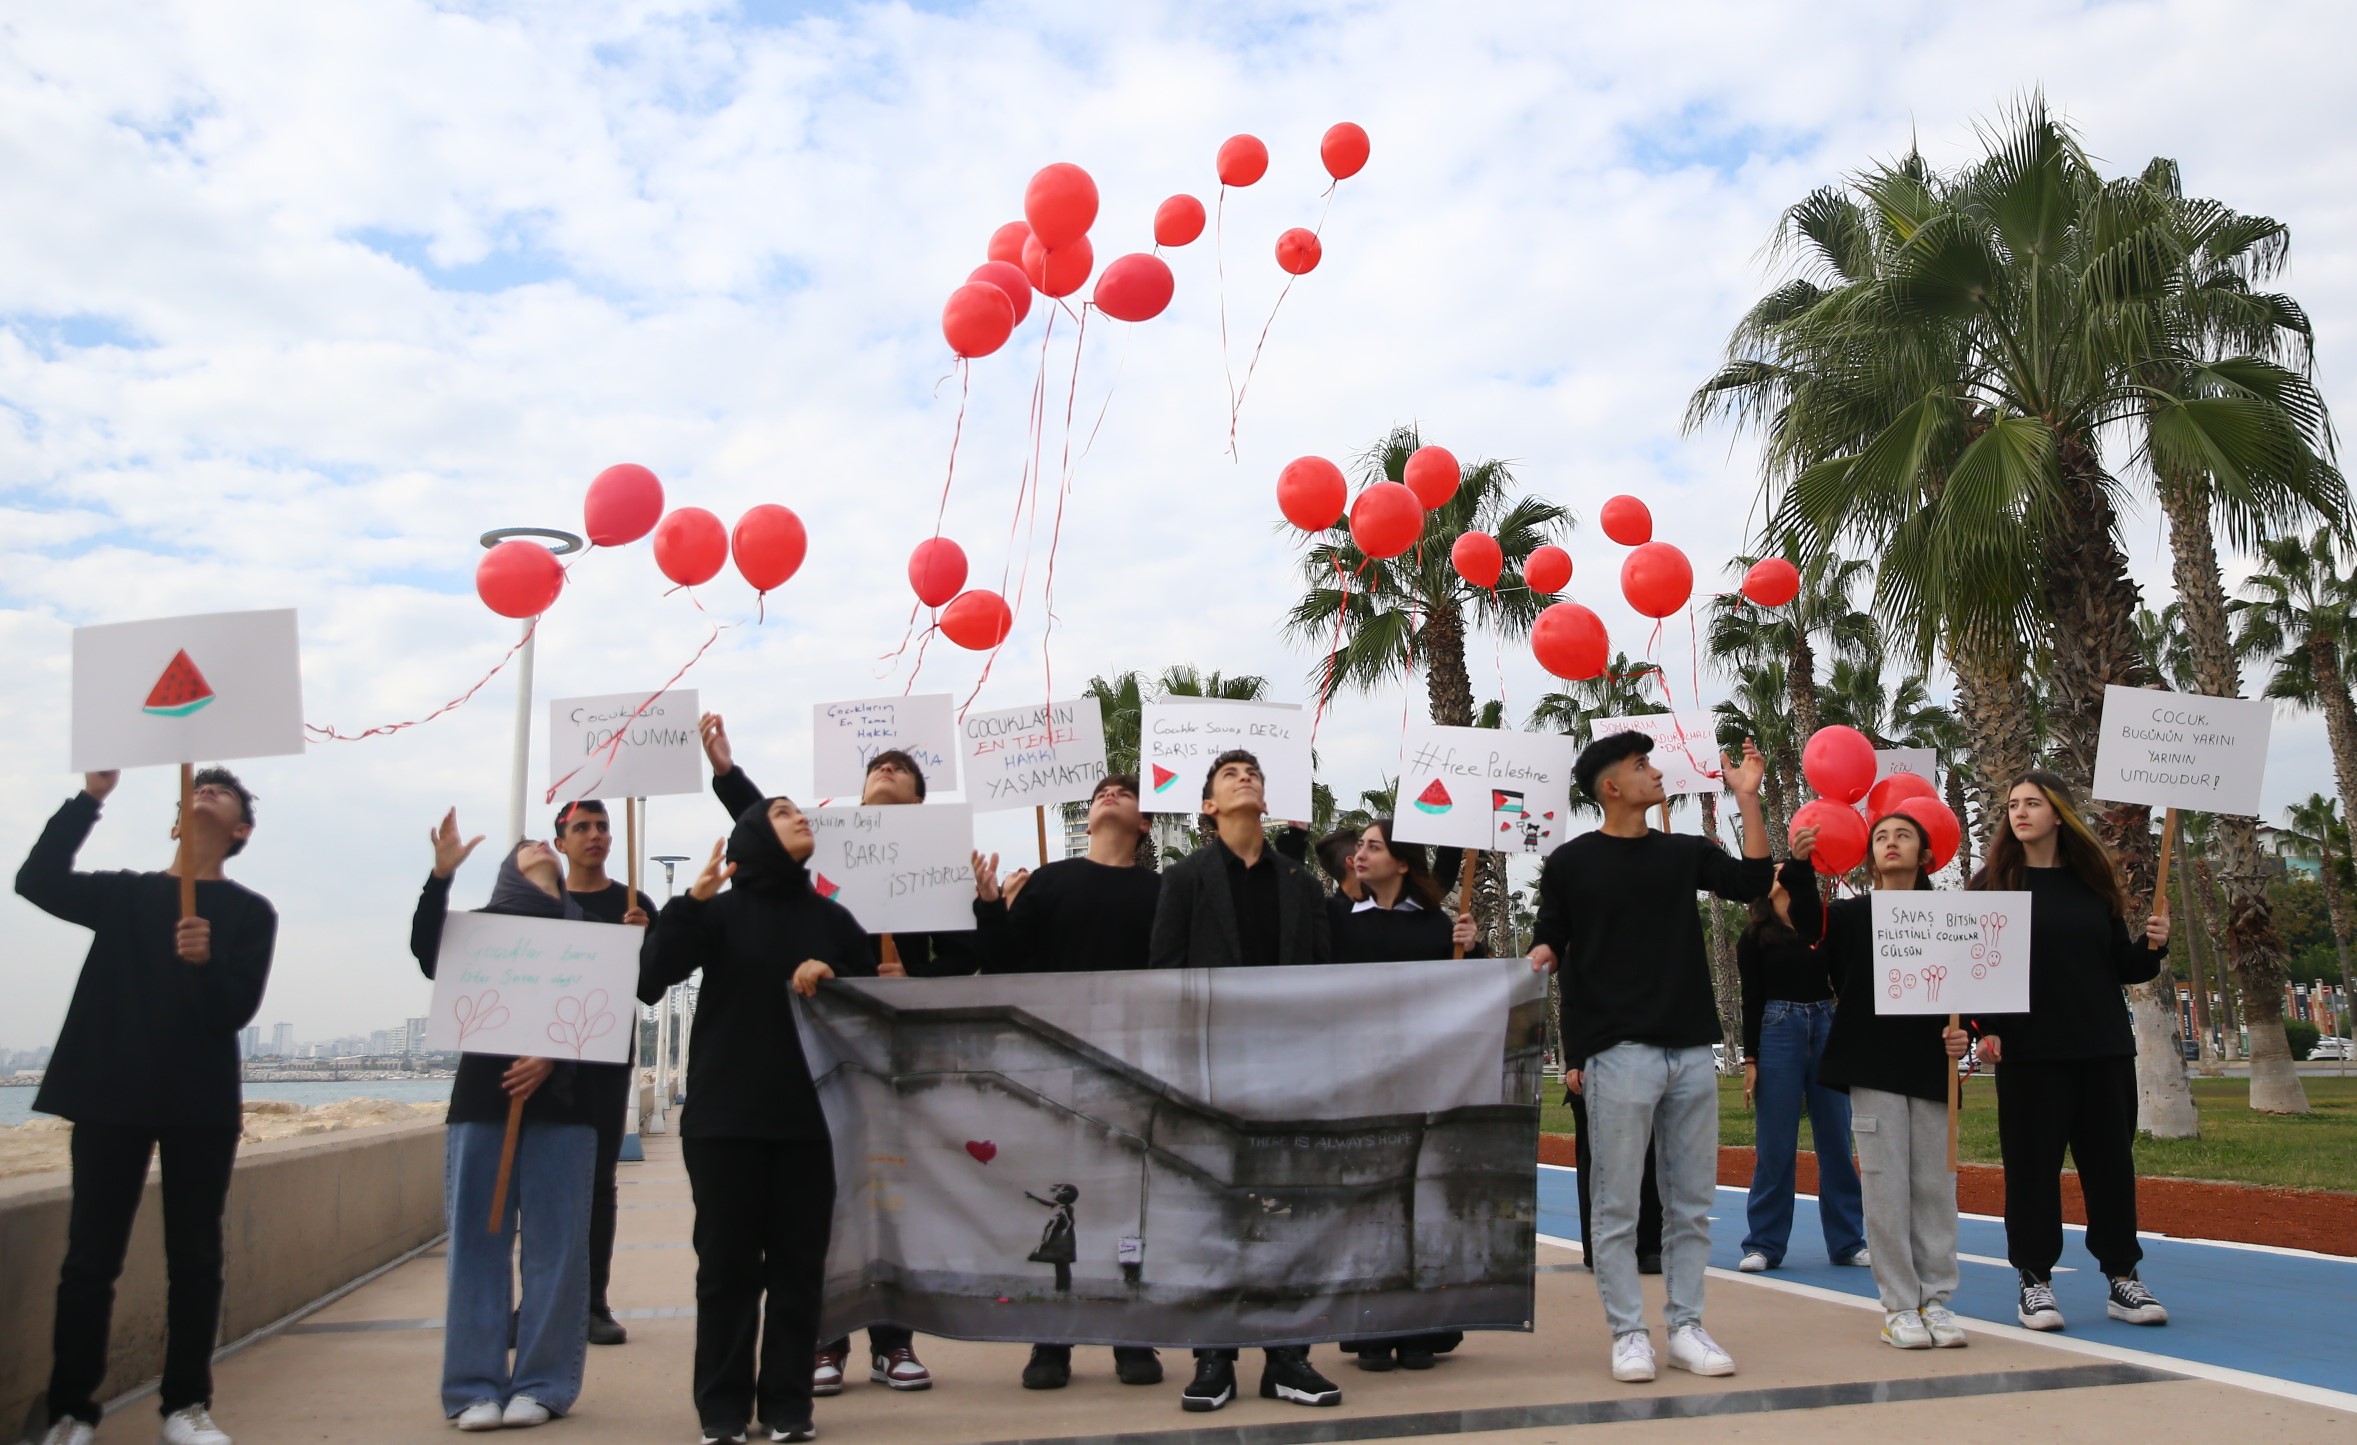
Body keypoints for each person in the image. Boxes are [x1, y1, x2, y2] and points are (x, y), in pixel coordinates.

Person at [700, 713, 963, 1394]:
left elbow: (967, 960)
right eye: (877, 764)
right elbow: (759, 829)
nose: (884, 770)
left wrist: (914, 983)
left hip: (895, 1054)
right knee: (823, 1201)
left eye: (899, 769)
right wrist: (728, 772)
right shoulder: (828, 843)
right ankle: (823, 1339)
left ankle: (892, 1339)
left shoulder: (941, 858)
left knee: (888, 1193)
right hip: (816, 1051)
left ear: (917, 800)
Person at [21, 768, 275, 1445]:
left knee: (195, 1260)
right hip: (110, 1094)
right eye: (194, 790)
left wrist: (205, 960)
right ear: (173, 821)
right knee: (89, 1260)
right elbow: (35, 880)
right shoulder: (126, 894)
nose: (203, 793)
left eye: (221, 793)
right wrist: (91, 796)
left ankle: (185, 1406)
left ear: (241, 828)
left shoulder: (251, 912)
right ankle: (72, 1409)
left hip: (199, 1102)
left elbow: (234, 1010)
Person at [1530, 732, 1773, 1386]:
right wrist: (1533, 977)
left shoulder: (1682, 852)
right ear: (1610, 786)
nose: (1655, 770)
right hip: (1617, 1054)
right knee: (1616, 1207)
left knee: (1689, 1202)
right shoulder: (1570, 862)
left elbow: (1750, 879)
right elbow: (1550, 939)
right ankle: (1628, 1333)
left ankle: (1686, 1326)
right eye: (1641, 765)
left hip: (1690, 1049)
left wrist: (1746, 798)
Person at [642, 794, 876, 1445]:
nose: (801, 815)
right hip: (725, 1123)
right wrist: (688, 900)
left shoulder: (832, 918)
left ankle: (787, 1405)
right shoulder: (714, 913)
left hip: (810, 1123)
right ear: (751, 834)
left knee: (800, 1271)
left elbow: (874, 1001)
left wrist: (834, 973)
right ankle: (721, 1411)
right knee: (726, 1271)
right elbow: (652, 976)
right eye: (781, 811)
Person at [1148, 749, 1341, 1414]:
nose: (1245, 778)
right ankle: (1213, 1357)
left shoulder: (1301, 883)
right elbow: (1165, 975)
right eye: (1230, 775)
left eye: (1253, 772)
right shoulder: (1183, 880)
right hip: (1210, 1066)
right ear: (1207, 806)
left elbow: (1321, 978)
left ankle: (1288, 1357)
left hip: (1287, 1068)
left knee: (1287, 1210)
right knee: (1213, 1210)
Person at [409, 817, 613, 1430]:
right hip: (483, 1101)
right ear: (507, 870)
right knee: (477, 1244)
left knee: (557, 1250)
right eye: (528, 845)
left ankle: (544, 1383)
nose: (543, 847)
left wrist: (552, 1052)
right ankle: (473, 1385)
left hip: (565, 1110)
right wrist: (440, 876)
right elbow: (427, 953)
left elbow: (603, 1011)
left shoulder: (590, 930)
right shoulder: (483, 925)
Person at [970, 773, 1167, 1390]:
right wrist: (988, 907)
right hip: (1052, 1069)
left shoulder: (1166, 892)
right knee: (1054, 1207)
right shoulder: (1048, 881)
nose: (1110, 794)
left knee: (1129, 1206)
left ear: (1145, 823)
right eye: (1102, 791)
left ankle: (1132, 1337)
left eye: (1126, 792)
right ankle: (1050, 1339)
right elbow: (1006, 965)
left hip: (1137, 1065)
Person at [1971, 771, 2172, 1332]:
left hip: (2103, 1048)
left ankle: (2123, 1278)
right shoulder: (1992, 886)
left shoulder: (2093, 883)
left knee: (2111, 1167)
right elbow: (1977, 970)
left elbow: (2122, 967)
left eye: (2032, 803)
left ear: (2058, 814)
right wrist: (1984, 1028)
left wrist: (2152, 947)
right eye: (2014, 804)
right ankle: (2034, 1282)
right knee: (2032, 1171)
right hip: (2031, 1055)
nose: (2020, 812)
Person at [1789, 815, 1973, 1350]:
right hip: (1872, 1068)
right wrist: (1801, 867)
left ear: (1926, 853)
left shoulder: (1952, 917)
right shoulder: (1849, 916)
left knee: (1936, 1189)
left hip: (1933, 1069)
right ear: (1871, 855)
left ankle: (1936, 1300)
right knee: (1885, 1187)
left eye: (1903, 836)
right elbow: (1806, 924)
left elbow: (1978, 985)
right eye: (1881, 837)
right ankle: (1899, 1305)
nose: (1892, 843)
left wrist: (1971, 1034)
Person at [1326, 818, 1477, 1374]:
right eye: (1358, 846)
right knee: (1366, 1204)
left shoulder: (1440, 928)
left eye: (1372, 846)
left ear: (1403, 861)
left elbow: (1472, 1001)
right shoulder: (1336, 922)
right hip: (1359, 1084)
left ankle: (1421, 1328)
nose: (1358, 854)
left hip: (1427, 1084)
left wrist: (1473, 951)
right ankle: (1371, 1328)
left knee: (1424, 1203)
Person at [1734, 831, 1867, 1274]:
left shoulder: (1823, 926)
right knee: (1775, 1143)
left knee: (1836, 1138)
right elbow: (1750, 999)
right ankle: (1764, 1245)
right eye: (1773, 870)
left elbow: (1844, 985)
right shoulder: (1754, 937)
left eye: (1784, 868)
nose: (1780, 873)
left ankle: (1848, 1241)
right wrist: (1750, 1060)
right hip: (1777, 1029)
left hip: (1824, 1023)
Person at [550, 799, 657, 1348]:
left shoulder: (633, 901)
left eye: (602, 826)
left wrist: (642, 942)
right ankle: (539, 1304)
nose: (595, 835)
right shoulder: (540, 902)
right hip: (539, 1067)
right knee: (541, 1186)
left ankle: (594, 1303)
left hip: (605, 1062)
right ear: (560, 842)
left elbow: (652, 988)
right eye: (581, 828)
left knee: (598, 1185)